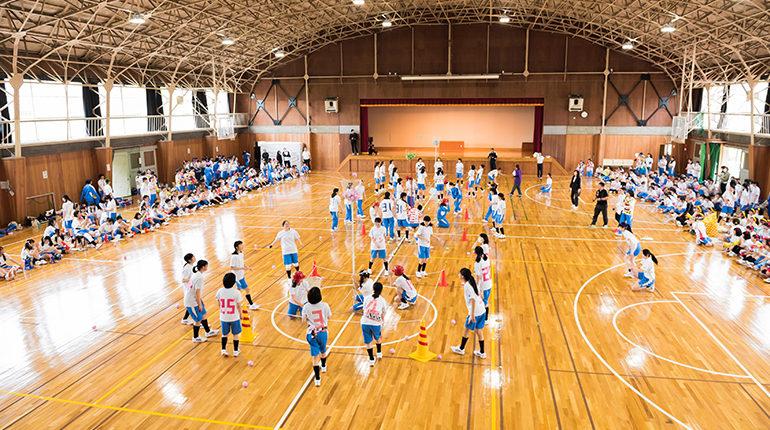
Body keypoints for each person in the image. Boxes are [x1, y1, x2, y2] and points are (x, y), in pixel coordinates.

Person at [450, 268, 487, 358]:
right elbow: (481, 295)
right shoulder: (472, 281)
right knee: (479, 331)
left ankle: (461, 349)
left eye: (459, 273)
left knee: (466, 329)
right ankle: (482, 352)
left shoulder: (467, 286)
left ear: (462, 276)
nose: (458, 274)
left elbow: (473, 300)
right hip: (482, 310)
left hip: (476, 312)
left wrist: (472, 315)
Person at [302, 286, 331, 387]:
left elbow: (304, 320)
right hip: (322, 331)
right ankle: (323, 366)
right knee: (323, 351)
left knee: (315, 357)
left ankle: (317, 379)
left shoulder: (306, 307)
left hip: (311, 333)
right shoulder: (325, 305)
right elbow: (329, 317)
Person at [184, 260, 219, 343]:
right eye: (207, 266)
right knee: (198, 320)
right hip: (191, 301)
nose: (207, 267)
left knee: (204, 314)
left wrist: (200, 300)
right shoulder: (199, 277)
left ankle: (208, 331)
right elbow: (196, 291)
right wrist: (199, 304)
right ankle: (195, 337)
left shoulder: (197, 274)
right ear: (203, 267)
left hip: (195, 299)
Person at [216, 273, 243, 357]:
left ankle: (223, 349)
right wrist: (241, 314)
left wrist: (221, 310)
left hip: (224, 317)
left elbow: (218, 302)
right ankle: (235, 350)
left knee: (224, 334)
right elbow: (239, 305)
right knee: (235, 334)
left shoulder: (220, 291)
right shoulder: (236, 292)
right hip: (234, 317)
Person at [361, 282, 387, 366]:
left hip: (365, 322)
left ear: (373, 289)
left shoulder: (367, 298)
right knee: (378, 337)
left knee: (368, 342)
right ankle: (379, 352)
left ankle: (371, 359)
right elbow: (383, 314)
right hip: (376, 323)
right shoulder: (382, 300)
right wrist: (382, 325)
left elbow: (365, 309)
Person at [231, 240, 259, 310]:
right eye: (240, 245)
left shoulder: (241, 253)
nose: (242, 246)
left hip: (242, 274)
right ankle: (251, 304)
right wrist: (242, 268)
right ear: (236, 247)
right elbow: (231, 267)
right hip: (238, 276)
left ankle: (233, 303)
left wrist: (247, 267)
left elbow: (241, 263)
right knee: (247, 289)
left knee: (238, 290)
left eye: (242, 244)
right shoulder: (234, 256)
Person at [473, 246, 493, 317]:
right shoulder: (486, 259)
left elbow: (478, 277)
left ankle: (486, 318)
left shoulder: (477, 264)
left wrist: (477, 288)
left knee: (484, 303)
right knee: (484, 301)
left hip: (484, 285)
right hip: (489, 283)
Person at [180, 253, 196, 325]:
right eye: (193, 257)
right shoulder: (187, 268)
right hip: (188, 290)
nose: (194, 257)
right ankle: (199, 321)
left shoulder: (190, 266)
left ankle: (185, 319)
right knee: (194, 305)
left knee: (190, 305)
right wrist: (194, 278)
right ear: (190, 260)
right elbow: (183, 280)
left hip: (191, 288)